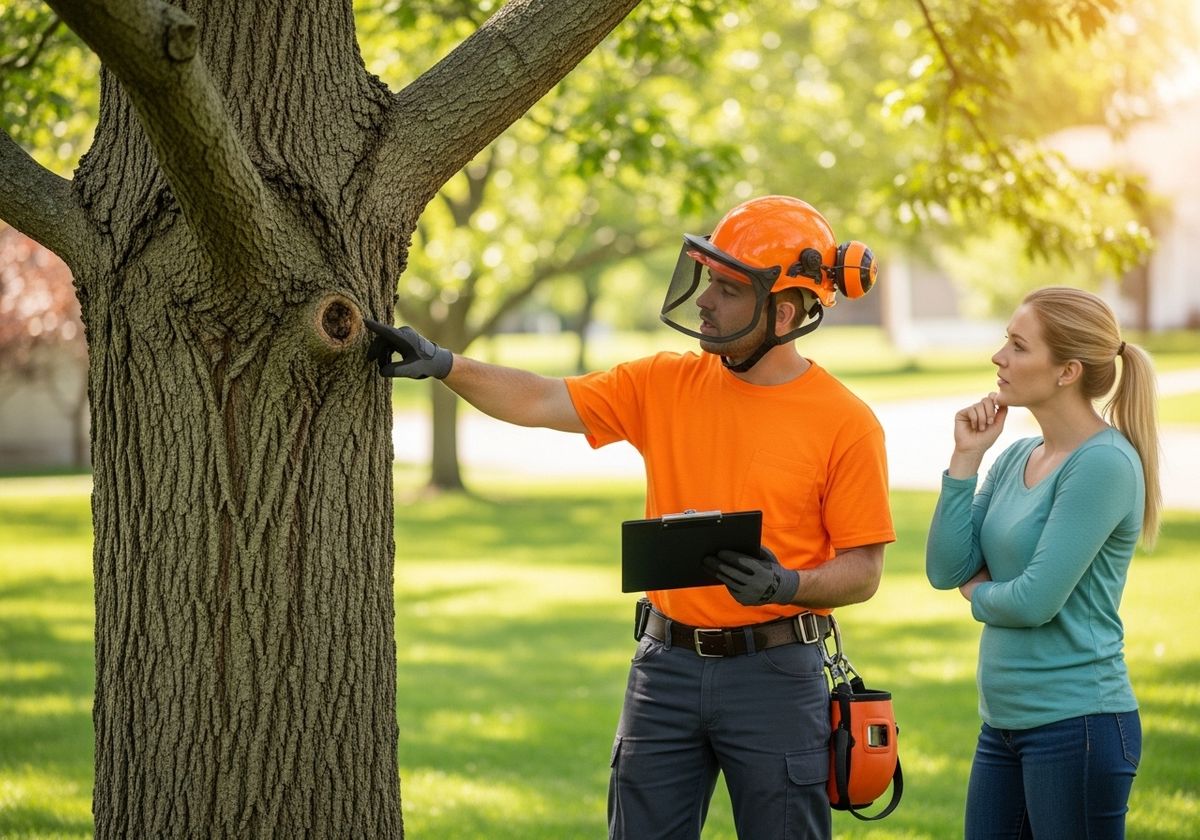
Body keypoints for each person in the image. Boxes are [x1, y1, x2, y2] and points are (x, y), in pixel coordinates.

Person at [367, 195, 896, 839]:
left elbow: (863, 571)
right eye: (707, 279)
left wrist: (788, 585)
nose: (703, 299)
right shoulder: (665, 383)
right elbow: (540, 398)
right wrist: (447, 363)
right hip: (664, 668)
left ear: (783, 311)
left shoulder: (845, 421)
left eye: (727, 289)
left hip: (776, 677)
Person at [925, 286, 1161, 840]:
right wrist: (965, 460)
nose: (998, 357)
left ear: (1066, 371)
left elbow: (1033, 601)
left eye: (1017, 345)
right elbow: (944, 568)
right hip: (1003, 724)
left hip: (1077, 724)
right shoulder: (1014, 455)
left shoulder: (1103, 464)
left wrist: (975, 593)